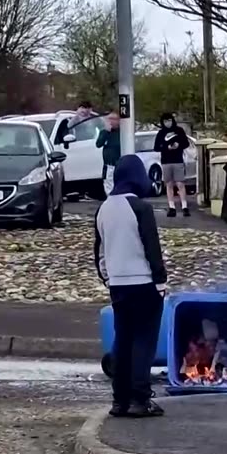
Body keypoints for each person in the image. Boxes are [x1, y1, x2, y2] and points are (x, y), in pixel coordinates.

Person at [93, 155, 167, 418]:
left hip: (118, 285)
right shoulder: (140, 208)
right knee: (144, 342)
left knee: (123, 341)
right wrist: (161, 281)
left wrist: (107, 277)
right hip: (144, 283)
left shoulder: (104, 208)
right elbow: (152, 248)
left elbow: (99, 250)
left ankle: (119, 400)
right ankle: (140, 399)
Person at [153, 112, 191, 217]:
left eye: (169, 120)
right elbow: (156, 147)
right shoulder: (161, 133)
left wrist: (178, 145)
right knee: (169, 184)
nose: (167, 123)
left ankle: (184, 206)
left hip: (178, 160)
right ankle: (171, 206)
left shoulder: (179, 131)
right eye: (165, 121)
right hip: (166, 161)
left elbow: (186, 143)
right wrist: (166, 147)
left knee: (180, 184)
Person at [95, 111, 121, 197]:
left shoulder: (122, 133)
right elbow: (98, 144)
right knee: (109, 186)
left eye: (114, 119)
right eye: (109, 119)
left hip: (119, 164)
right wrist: (106, 131)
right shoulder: (104, 132)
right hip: (109, 165)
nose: (111, 121)